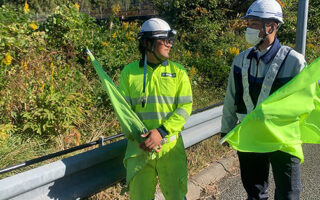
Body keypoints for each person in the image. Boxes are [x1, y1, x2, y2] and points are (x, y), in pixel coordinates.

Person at [220, 0, 306, 199]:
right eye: (248, 23)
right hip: (251, 136)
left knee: (288, 194)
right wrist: (226, 129)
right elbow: (231, 98)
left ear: (272, 26)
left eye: (255, 24)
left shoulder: (294, 61)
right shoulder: (240, 60)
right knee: (255, 193)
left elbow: (304, 101)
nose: (249, 28)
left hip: (283, 139)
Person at [118, 18, 192, 200]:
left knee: (176, 196)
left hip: (171, 149)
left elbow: (185, 107)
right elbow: (123, 111)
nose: (169, 44)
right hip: (139, 149)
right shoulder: (129, 73)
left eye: (170, 40)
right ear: (146, 42)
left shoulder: (179, 72)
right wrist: (139, 137)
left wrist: (161, 132)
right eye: (164, 40)